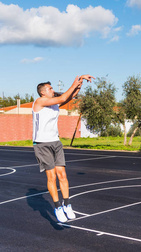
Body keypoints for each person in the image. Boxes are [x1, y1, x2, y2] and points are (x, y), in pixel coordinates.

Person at [32, 75, 94, 223]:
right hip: (42, 144)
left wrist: (79, 84)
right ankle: (58, 207)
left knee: (63, 175)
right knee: (51, 177)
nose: (53, 90)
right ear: (42, 92)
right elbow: (62, 97)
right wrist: (74, 81)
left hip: (56, 142)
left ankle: (67, 204)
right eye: (50, 88)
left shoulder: (53, 103)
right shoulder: (39, 102)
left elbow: (70, 96)